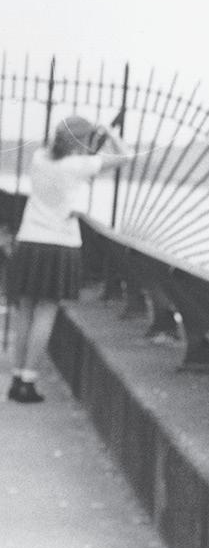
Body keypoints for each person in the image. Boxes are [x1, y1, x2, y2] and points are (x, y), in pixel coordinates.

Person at [6, 116, 130, 403]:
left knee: (25, 311)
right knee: (46, 311)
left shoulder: (39, 158)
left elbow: (61, 161)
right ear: (82, 140)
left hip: (30, 241)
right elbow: (125, 156)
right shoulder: (81, 165)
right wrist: (109, 134)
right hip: (60, 244)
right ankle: (28, 381)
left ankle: (16, 379)